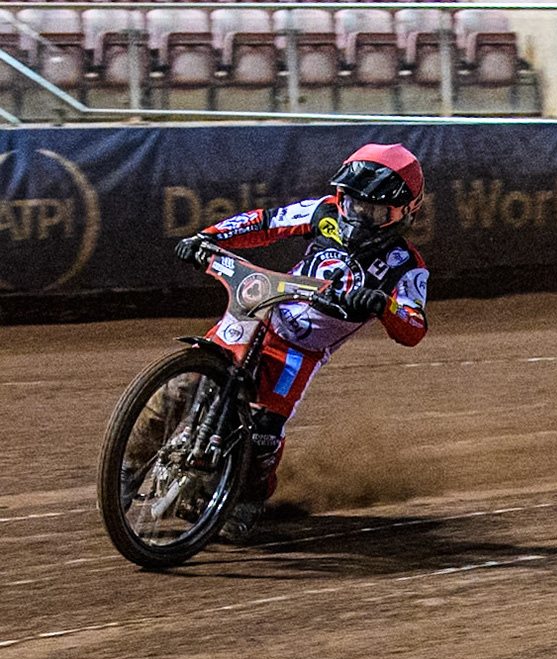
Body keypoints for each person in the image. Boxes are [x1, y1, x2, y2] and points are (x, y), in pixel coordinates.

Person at [172, 143, 429, 539]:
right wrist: (206, 237)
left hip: (300, 350)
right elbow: (264, 223)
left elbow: (413, 327)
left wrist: (382, 304)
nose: (359, 215)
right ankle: (127, 470)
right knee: (183, 386)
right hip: (262, 310)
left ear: (406, 211)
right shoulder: (324, 211)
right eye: (353, 203)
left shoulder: (407, 266)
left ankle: (246, 500)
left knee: (263, 431)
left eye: (375, 210)